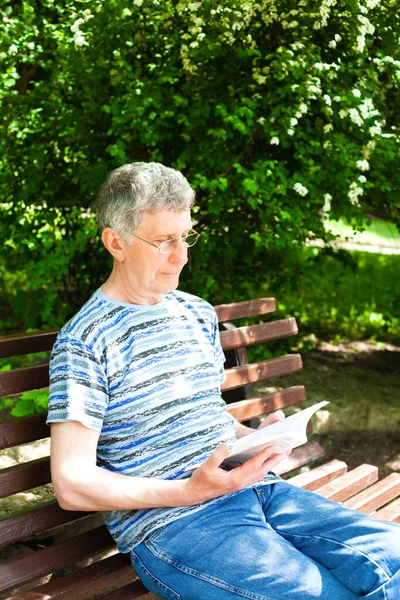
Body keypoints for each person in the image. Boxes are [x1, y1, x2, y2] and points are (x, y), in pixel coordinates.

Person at [47, 162, 400, 600]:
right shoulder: (84, 342)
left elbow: (207, 417)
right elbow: (70, 481)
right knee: (323, 594)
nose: (182, 255)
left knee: (394, 557)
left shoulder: (194, 312)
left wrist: (257, 439)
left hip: (258, 490)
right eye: (163, 241)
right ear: (115, 241)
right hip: (177, 525)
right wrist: (189, 490)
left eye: (186, 236)